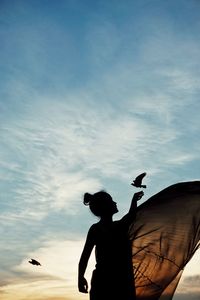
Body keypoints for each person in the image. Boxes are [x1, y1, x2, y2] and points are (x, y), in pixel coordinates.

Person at [78, 189, 144, 300]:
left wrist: (80, 278)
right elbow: (85, 256)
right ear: (105, 207)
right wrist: (80, 278)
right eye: (111, 201)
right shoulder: (107, 228)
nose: (115, 202)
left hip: (115, 282)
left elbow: (131, 215)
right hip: (112, 284)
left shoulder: (115, 226)